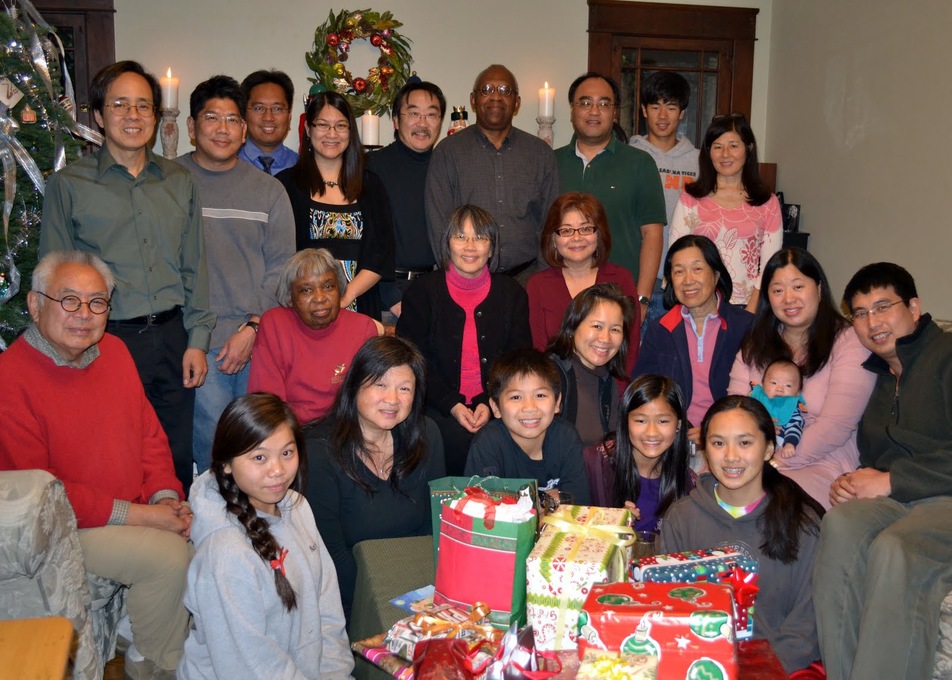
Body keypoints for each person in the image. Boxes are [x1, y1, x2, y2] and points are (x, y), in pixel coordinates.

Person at [0, 251, 191, 679]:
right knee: (169, 558)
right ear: (35, 304)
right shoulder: (9, 379)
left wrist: (165, 496)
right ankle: (153, 668)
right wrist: (143, 516)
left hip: (127, 510)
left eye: (97, 302)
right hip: (64, 530)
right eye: (69, 300)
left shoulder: (115, 352)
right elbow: (43, 498)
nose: (84, 314)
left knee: (200, 536)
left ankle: (142, 640)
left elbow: (149, 436)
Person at [39, 60, 215, 494]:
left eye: (143, 105)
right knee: (112, 454)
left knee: (174, 454)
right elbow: (53, 278)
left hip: (173, 338)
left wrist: (197, 341)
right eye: (119, 105)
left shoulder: (180, 181)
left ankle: (174, 530)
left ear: (155, 115)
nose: (133, 115)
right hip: (105, 341)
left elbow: (194, 266)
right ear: (99, 116)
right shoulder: (69, 185)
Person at [814, 263, 952, 680]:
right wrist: (852, 482)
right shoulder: (877, 375)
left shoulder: (946, 356)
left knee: (895, 548)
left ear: (914, 307)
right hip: (899, 500)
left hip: (943, 497)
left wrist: (892, 480)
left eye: (882, 307)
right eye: (860, 313)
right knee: (840, 524)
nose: (872, 322)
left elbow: (892, 474)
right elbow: (873, 459)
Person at [181, 393, 352, 679]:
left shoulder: (298, 506)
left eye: (287, 453)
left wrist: (337, 674)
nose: (278, 471)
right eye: (259, 457)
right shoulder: (225, 553)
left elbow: (328, 611)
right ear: (226, 463)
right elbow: (250, 665)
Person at [177, 75, 295, 472]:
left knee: (260, 450)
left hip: (256, 340)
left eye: (232, 119)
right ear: (192, 126)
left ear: (244, 130)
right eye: (212, 118)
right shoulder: (169, 182)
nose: (223, 129)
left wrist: (254, 327)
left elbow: (281, 267)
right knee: (214, 455)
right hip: (195, 342)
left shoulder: (269, 191)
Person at [660, 395, 824, 675]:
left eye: (745, 443)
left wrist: (755, 672)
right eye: (718, 443)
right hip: (696, 664)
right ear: (705, 449)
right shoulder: (681, 518)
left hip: (775, 669)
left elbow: (805, 629)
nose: (731, 456)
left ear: (768, 449)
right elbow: (668, 611)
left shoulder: (803, 524)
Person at [304, 335, 446, 618]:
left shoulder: (426, 435)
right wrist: (381, 604)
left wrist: (420, 597)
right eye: (380, 384)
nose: (392, 399)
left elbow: (432, 528)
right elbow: (329, 553)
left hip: (418, 590)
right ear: (354, 385)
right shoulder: (318, 451)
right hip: (351, 597)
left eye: (404, 388)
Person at [728, 248, 876, 507]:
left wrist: (774, 460)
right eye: (777, 290)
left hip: (823, 461)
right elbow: (734, 411)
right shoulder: (754, 344)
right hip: (751, 456)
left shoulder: (849, 341)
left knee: (767, 501)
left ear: (818, 289)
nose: (788, 298)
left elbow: (836, 425)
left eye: (798, 286)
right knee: (704, 488)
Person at [396, 205, 531, 474]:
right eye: (460, 236)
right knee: (449, 442)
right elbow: (412, 361)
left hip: (498, 402)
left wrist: (488, 401)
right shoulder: (422, 292)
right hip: (435, 405)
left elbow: (518, 359)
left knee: (501, 445)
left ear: (491, 248)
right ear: (447, 243)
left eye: (480, 237)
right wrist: (452, 405)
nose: (470, 246)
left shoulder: (512, 293)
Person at [425, 64, 560, 281]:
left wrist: (540, 277)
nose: (496, 96)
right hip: (466, 279)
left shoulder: (540, 154)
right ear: (473, 100)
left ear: (517, 103)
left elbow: (551, 222)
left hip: (527, 278)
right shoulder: (448, 152)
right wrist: (458, 279)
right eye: (486, 90)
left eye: (505, 90)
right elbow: (439, 224)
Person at [555, 72, 666, 320]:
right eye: (585, 103)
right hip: (561, 297)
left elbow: (652, 234)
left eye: (604, 104)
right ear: (572, 109)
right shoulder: (551, 162)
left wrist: (642, 298)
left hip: (621, 300)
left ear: (615, 112)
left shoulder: (640, 163)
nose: (594, 111)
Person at [277, 91, 395, 319]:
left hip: (360, 303)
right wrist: (319, 299)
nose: (332, 134)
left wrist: (345, 297)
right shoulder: (285, 185)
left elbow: (381, 253)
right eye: (322, 125)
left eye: (341, 126)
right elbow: (279, 256)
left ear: (351, 132)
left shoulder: (371, 185)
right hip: (303, 308)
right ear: (308, 130)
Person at [636, 235, 753, 440]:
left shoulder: (745, 326)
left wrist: (714, 427)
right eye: (678, 271)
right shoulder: (660, 330)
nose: (688, 280)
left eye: (697, 269)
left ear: (716, 274)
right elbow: (644, 390)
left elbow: (760, 391)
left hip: (732, 434)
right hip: (673, 437)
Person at [248, 248, 378, 424]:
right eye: (306, 290)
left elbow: (369, 400)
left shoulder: (363, 328)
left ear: (340, 289)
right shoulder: (274, 324)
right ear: (290, 296)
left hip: (345, 429)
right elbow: (267, 402)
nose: (320, 298)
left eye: (328, 287)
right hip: (292, 430)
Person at [669, 113, 781, 312]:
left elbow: (770, 265)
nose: (725, 154)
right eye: (718, 147)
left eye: (733, 146)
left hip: (748, 306)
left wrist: (750, 312)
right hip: (698, 307)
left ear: (749, 148)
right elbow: (677, 259)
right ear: (708, 152)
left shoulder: (767, 202)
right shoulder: (690, 198)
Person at [526, 192, 640, 372]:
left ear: (599, 234)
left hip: (610, 384)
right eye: (566, 230)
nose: (577, 238)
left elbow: (630, 348)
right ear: (553, 239)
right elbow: (538, 351)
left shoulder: (621, 279)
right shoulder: (538, 285)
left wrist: (616, 389)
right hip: (556, 383)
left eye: (586, 229)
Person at [465, 348, 591, 504]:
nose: (530, 407)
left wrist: (515, 502)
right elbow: (482, 507)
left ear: (557, 402)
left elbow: (578, 501)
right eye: (516, 397)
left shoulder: (566, 437)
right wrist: (548, 499)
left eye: (540, 395)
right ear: (496, 407)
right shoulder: (488, 443)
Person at [365, 80, 446, 318]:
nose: (422, 123)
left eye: (431, 114)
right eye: (413, 113)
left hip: (435, 295)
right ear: (395, 120)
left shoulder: (446, 167)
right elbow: (365, 239)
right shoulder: (372, 167)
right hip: (385, 299)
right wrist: (391, 297)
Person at [629, 71, 700, 327]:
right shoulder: (629, 156)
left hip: (684, 282)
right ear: (643, 110)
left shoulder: (699, 162)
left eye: (670, 107)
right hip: (636, 278)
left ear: (682, 113)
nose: (662, 115)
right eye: (655, 106)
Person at [592, 375, 694, 531]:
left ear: (678, 425)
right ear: (626, 422)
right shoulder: (597, 465)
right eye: (640, 421)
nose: (651, 432)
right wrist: (612, 523)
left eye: (663, 421)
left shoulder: (686, 481)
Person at [546, 283, 635, 448]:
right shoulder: (548, 377)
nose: (605, 338)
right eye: (597, 326)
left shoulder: (608, 381)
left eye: (615, 330)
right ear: (573, 326)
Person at [238, 69, 299, 175]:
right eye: (259, 108)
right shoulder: (227, 164)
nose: (268, 117)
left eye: (277, 109)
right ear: (244, 115)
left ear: (289, 117)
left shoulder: (303, 167)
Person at [748, 358, 806, 459]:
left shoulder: (790, 409)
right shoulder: (757, 400)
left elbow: (795, 426)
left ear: (797, 392)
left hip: (773, 448)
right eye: (774, 383)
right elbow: (742, 416)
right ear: (763, 384)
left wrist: (790, 443)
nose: (779, 389)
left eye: (788, 385)